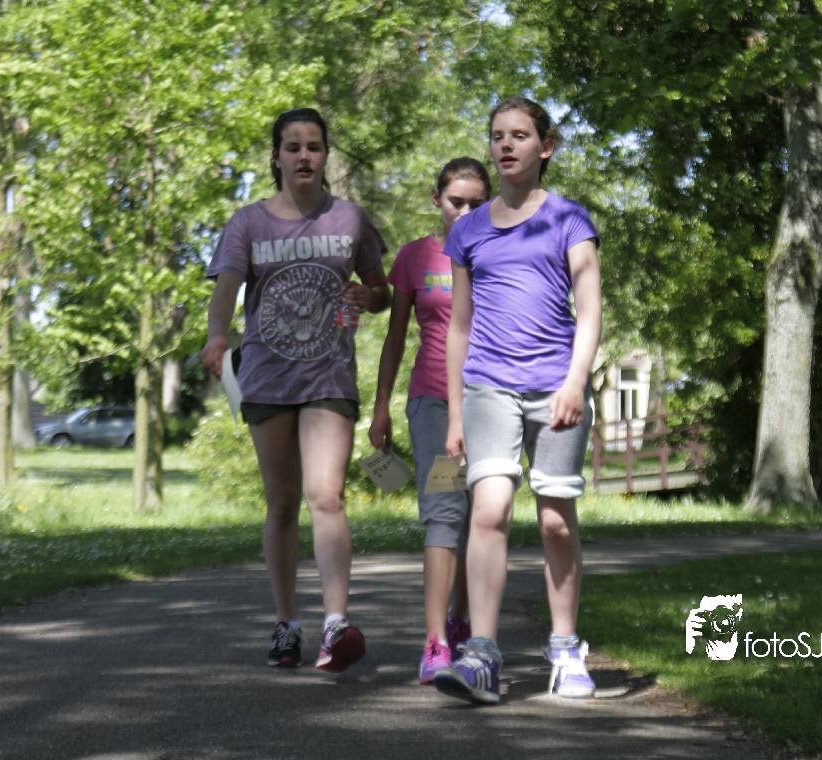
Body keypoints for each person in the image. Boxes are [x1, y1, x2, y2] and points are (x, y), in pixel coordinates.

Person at [200, 107, 391, 673]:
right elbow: (227, 287)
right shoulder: (249, 223)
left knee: (326, 495)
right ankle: (287, 625)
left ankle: (336, 624)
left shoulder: (350, 219)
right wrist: (216, 335)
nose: (304, 156)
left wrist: (368, 298)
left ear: (326, 155)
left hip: (329, 372)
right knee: (282, 503)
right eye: (293, 147)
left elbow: (381, 291)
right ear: (277, 157)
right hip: (267, 374)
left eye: (313, 146)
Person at [432, 96, 603, 705]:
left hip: (556, 386)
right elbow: (458, 326)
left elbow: (590, 311)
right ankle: (481, 655)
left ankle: (565, 648)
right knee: (489, 510)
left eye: (520, 135)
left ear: (545, 147)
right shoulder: (468, 230)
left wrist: (576, 382)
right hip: (488, 386)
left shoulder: (568, 219)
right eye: (497, 135)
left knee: (555, 519)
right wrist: (455, 412)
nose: (506, 145)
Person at [368, 157, 492, 684]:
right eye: (455, 201)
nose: (464, 211)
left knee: (481, 515)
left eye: (476, 203)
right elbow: (395, 337)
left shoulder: (499, 251)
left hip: (491, 402)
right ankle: (436, 642)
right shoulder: (416, 257)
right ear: (436, 200)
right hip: (435, 405)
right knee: (444, 512)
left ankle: (463, 620)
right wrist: (380, 406)